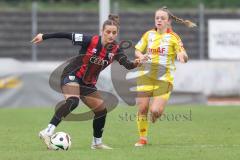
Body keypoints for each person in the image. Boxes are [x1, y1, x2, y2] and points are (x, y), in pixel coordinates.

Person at [31, 14, 141, 149]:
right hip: (72, 74)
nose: (111, 35)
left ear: (117, 33)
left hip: (87, 83)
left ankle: (97, 143)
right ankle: (47, 131)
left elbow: (127, 64)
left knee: (101, 110)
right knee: (73, 101)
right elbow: (67, 35)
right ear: (102, 32)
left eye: (114, 32)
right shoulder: (90, 40)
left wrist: (136, 63)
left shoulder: (116, 50)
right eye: (108, 32)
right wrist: (44, 36)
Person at [134, 6, 196, 147]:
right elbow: (137, 50)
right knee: (142, 108)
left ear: (169, 22)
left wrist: (182, 55)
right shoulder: (148, 34)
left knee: (155, 111)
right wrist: (141, 56)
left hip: (164, 79)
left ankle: (154, 116)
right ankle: (142, 139)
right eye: (157, 18)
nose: (159, 20)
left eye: (162, 18)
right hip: (146, 76)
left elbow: (184, 55)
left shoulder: (173, 37)